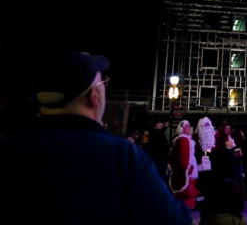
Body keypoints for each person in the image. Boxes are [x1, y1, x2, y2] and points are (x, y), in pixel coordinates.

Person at [0, 50, 192, 225]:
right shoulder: (123, 158)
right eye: (103, 83)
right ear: (94, 96)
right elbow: (171, 219)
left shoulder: (7, 152)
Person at [169, 120, 200, 209]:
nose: (188, 128)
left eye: (189, 126)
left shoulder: (190, 139)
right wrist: (187, 169)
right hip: (188, 167)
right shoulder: (183, 139)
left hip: (193, 165)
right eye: (186, 126)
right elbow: (182, 156)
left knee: (190, 187)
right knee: (186, 188)